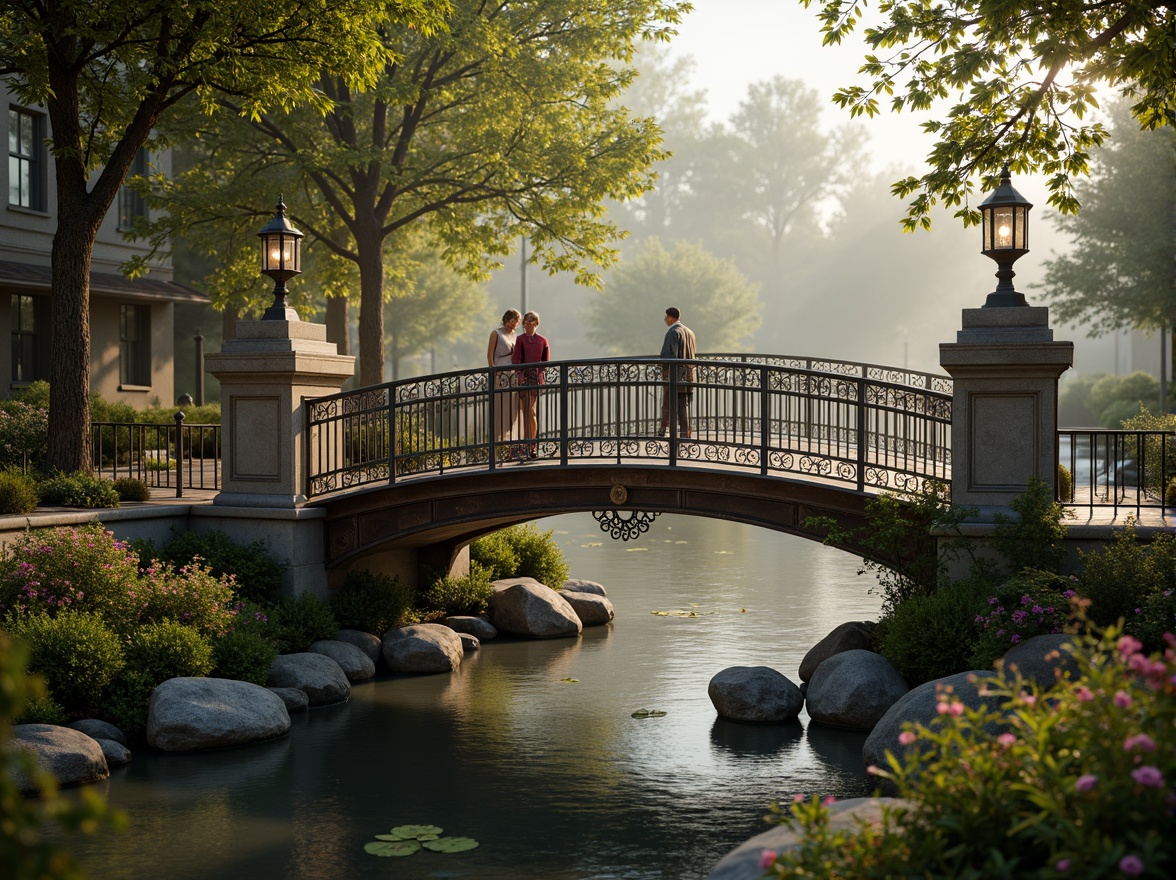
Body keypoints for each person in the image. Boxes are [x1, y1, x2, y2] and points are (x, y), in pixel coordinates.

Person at [512, 311, 550, 460]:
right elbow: (516, 360)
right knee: (527, 410)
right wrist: (521, 374)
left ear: (535, 322)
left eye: (528, 322)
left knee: (529, 411)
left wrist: (538, 374)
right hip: (524, 379)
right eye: (524, 322)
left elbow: (545, 361)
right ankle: (529, 444)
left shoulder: (542, 341)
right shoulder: (520, 340)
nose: (525, 324)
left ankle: (531, 444)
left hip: (535, 380)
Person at [658, 306, 696, 438]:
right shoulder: (689, 332)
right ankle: (685, 432)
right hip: (687, 375)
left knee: (668, 403)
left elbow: (668, 356)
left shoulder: (672, 333)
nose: (664, 320)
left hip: (675, 375)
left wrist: (665, 371)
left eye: (665, 317)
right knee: (682, 404)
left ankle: (664, 430)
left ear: (670, 317)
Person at [488, 309, 521, 457]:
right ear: (506, 320)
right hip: (500, 375)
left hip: (512, 376)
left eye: (515, 324)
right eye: (510, 323)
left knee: (512, 410)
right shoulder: (496, 333)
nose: (512, 327)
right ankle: (496, 447)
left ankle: (511, 446)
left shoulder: (515, 336)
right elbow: (490, 355)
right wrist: (495, 372)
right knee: (500, 409)